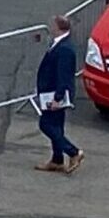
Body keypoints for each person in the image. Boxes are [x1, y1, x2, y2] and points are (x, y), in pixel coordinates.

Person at [35, 15, 83, 173]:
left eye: (52, 25)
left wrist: (58, 97)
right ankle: (57, 160)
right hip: (50, 93)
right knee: (56, 126)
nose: (50, 28)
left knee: (46, 124)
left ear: (59, 28)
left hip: (55, 95)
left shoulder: (64, 49)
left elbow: (63, 75)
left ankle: (73, 152)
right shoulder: (59, 45)